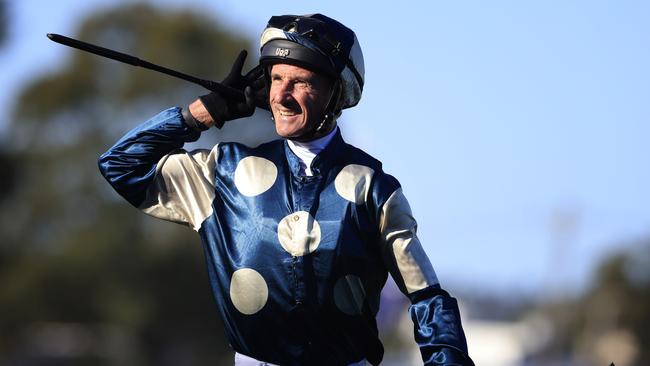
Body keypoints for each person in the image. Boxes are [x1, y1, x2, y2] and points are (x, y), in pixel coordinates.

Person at [99, 13, 474, 366]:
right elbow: (120, 165)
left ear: (337, 94)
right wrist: (202, 113)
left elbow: (427, 299)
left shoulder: (373, 189)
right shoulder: (221, 171)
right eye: (276, 79)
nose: (281, 95)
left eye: (302, 82)